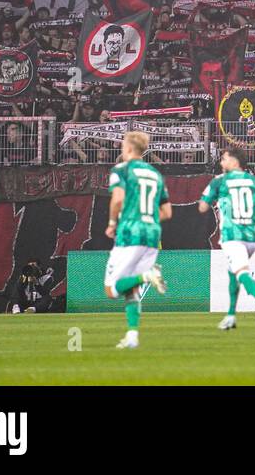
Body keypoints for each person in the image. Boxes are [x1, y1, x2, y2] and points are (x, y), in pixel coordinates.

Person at [198, 147, 255, 330]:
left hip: (232, 235)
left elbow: (203, 208)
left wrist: (213, 199)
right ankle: (230, 316)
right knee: (232, 272)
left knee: (240, 271)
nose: (221, 163)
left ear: (235, 161)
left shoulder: (219, 181)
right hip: (252, 238)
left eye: (224, 159)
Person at [103, 131, 170, 349]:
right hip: (152, 234)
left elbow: (118, 199)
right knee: (131, 291)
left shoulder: (121, 170)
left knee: (112, 290)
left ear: (130, 148)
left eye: (123, 146)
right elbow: (167, 212)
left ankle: (148, 275)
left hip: (130, 232)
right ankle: (132, 336)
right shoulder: (156, 174)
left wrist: (113, 223)